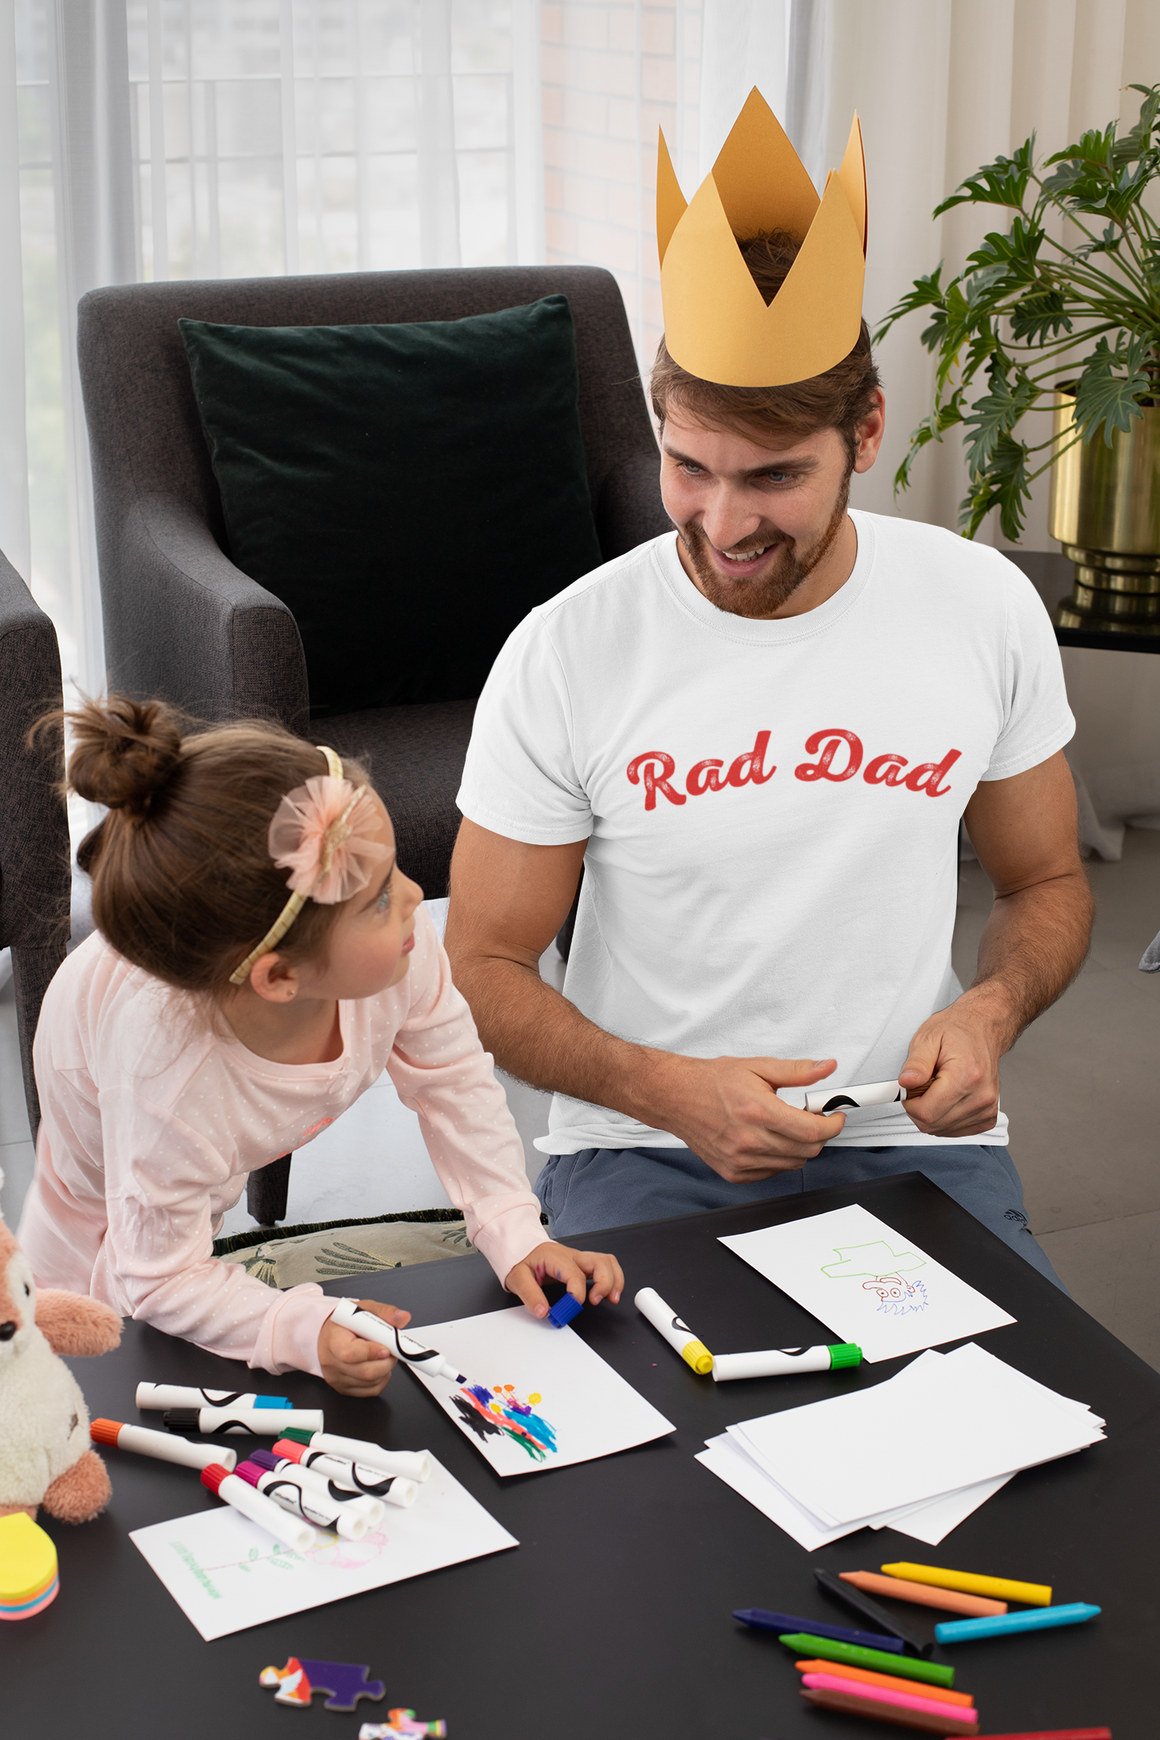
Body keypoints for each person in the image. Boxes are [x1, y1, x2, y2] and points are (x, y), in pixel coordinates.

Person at [443, 95, 1092, 1283]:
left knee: (1050, 1446)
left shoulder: (978, 605)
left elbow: (1044, 879)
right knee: (657, 1462)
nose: (721, 523)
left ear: (867, 429)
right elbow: (480, 967)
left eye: (774, 476)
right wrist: (661, 1089)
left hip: (913, 1141)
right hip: (644, 1145)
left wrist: (991, 1009)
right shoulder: (568, 649)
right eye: (687, 466)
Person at [18, 697, 622, 1394]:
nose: (415, 898)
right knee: (104, 1249)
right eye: (376, 900)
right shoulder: (166, 1088)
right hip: (97, 1057)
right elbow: (158, 1280)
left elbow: (454, 1082)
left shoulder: (400, 946)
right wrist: (294, 1328)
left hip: (204, 1077)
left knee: (181, 1206)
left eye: (394, 871)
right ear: (280, 976)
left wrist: (517, 1231)